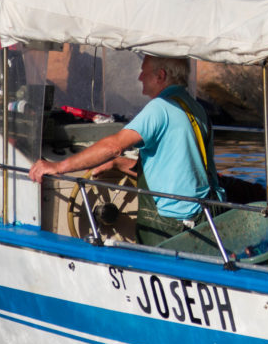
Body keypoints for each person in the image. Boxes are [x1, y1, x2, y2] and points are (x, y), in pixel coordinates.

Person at [28, 55, 218, 245]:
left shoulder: (160, 108)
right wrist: (118, 164)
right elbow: (175, 169)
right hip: (205, 215)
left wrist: (59, 166)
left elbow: (114, 146)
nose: (140, 77)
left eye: (144, 71)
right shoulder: (195, 107)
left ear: (160, 75)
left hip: (171, 224)